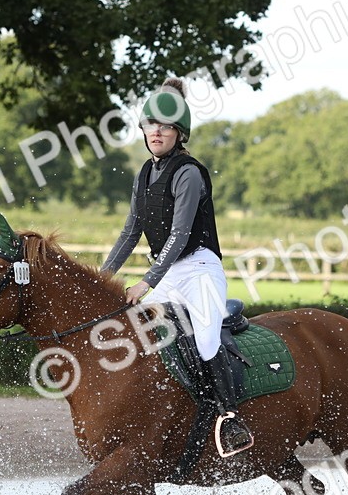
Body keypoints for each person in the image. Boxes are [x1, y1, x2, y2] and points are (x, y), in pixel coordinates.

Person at [100, 78, 254, 457]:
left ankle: (229, 418)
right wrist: (103, 278)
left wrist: (145, 282)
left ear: (178, 133)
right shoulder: (144, 174)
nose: (156, 132)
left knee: (204, 340)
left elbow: (182, 234)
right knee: (142, 337)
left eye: (165, 127)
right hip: (168, 273)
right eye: (150, 125)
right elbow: (130, 231)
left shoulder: (189, 172)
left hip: (199, 268)